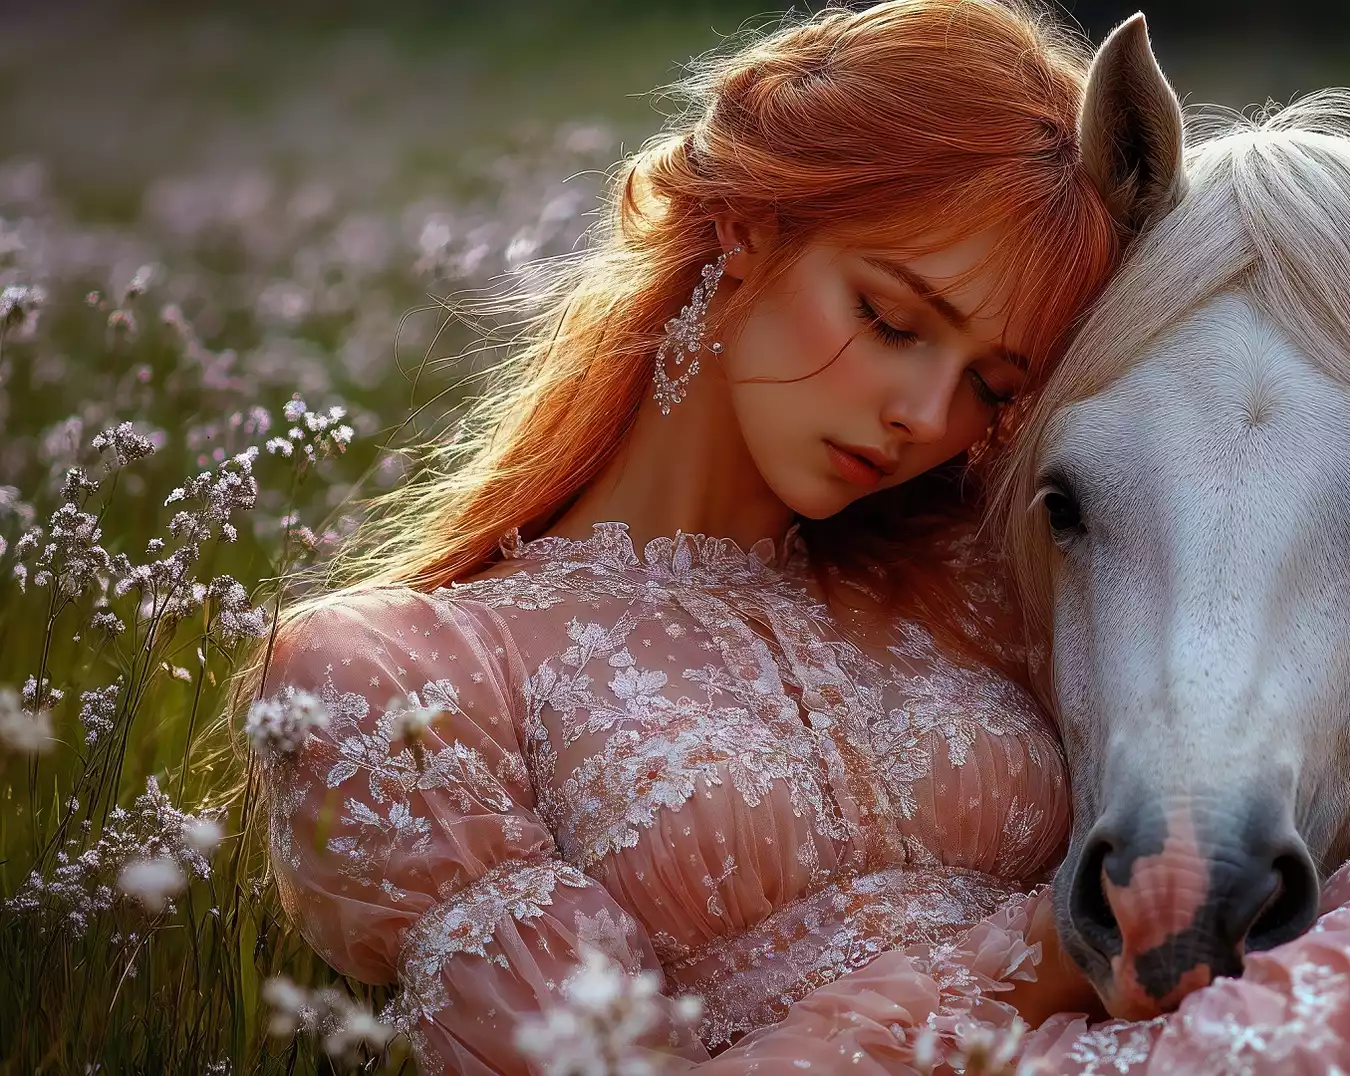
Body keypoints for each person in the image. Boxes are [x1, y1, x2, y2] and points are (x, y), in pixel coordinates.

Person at [248, 1, 1161, 1072]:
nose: (925, 411)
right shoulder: (405, 678)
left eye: (987, 384)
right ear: (749, 224)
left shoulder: (980, 573)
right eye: (892, 319)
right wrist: (1048, 950)